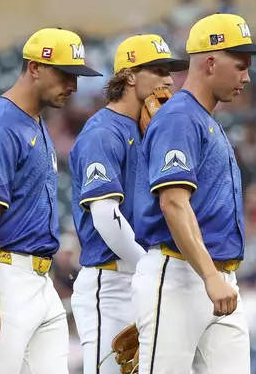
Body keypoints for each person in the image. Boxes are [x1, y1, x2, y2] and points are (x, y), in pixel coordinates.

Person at [132, 13, 256, 374]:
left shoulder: (202, 118)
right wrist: (210, 276)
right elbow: (173, 203)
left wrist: (216, 277)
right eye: (240, 65)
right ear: (210, 62)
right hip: (179, 274)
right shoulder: (180, 117)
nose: (247, 76)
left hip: (219, 277)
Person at [0, 28, 102, 374]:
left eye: (77, 76)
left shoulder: (35, 122)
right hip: (4, 277)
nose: (72, 85)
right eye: (64, 74)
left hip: (40, 280)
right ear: (34, 68)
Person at [68, 34, 188, 374]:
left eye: (170, 71)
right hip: (113, 284)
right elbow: (106, 218)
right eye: (158, 70)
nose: (168, 79)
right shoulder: (103, 132)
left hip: (141, 278)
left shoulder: (152, 130)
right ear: (130, 75)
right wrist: (148, 269)